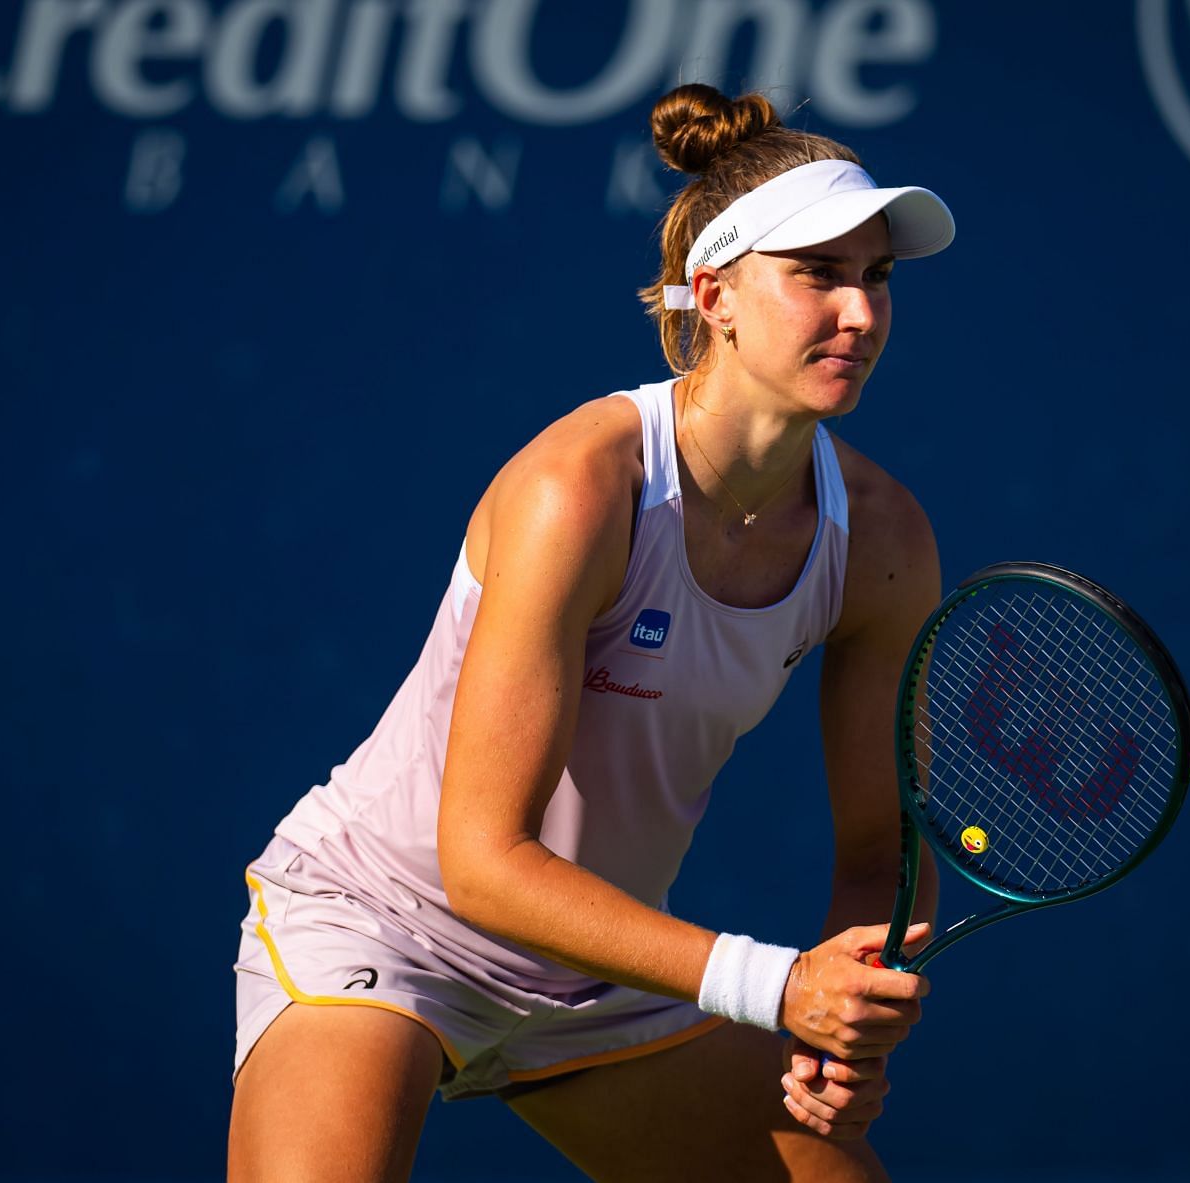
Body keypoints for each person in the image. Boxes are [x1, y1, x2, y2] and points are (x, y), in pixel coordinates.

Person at [228, 82, 955, 1183]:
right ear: (713, 293)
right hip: (386, 926)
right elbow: (482, 863)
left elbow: (880, 848)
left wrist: (842, 1009)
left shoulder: (884, 538)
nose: (860, 314)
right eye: (818, 275)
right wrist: (775, 984)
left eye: (877, 278)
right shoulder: (581, 484)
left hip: (593, 972)